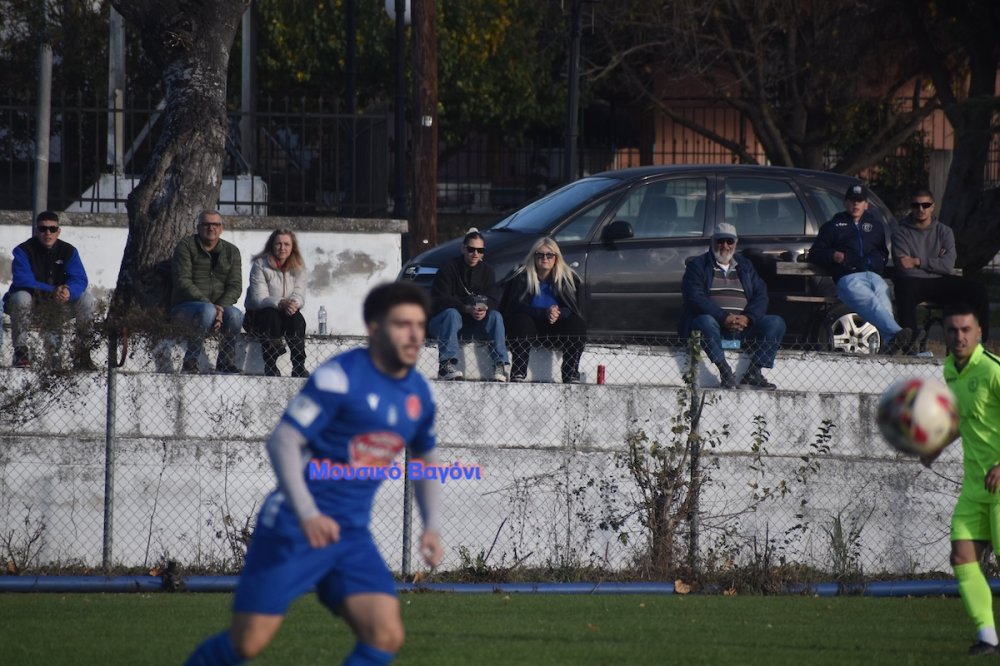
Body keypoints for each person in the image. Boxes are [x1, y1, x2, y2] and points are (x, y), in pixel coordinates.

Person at [184, 282, 442, 666]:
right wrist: (307, 513)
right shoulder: (341, 377)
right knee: (248, 642)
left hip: (350, 535)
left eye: (420, 325)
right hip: (293, 526)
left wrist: (431, 524)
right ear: (374, 328)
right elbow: (284, 442)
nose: (414, 335)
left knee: (385, 635)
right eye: (402, 324)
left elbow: (425, 457)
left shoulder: (417, 393)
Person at [920, 304, 1000, 656]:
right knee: (962, 556)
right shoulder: (951, 369)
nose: (959, 336)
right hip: (974, 487)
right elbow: (961, 419)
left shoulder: (993, 370)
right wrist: (936, 445)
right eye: (953, 330)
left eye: (966, 330)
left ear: (980, 332)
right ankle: (987, 637)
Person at [808, 184, 912, 355]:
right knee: (870, 301)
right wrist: (834, 255)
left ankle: (891, 342)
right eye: (851, 201)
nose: (855, 205)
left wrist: (875, 262)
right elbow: (816, 253)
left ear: (866, 205)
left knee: (883, 301)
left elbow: (882, 253)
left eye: (859, 201)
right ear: (845, 203)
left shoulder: (876, 226)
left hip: (873, 275)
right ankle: (895, 335)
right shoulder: (833, 225)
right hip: (848, 277)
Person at [679, 223, 785, 390]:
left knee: (775, 323)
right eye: (720, 241)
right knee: (704, 321)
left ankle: (753, 372)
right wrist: (723, 317)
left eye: (729, 241)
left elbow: (761, 295)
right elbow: (694, 297)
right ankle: (725, 371)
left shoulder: (746, 266)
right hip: (714, 331)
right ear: (712, 241)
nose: (725, 246)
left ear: (736, 243)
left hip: (743, 330)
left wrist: (748, 318)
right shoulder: (698, 265)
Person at [892, 189, 990, 350]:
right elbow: (904, 266)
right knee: (905, 288)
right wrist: (935, 263)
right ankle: (909, 344)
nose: (921, 209)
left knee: (977, 289)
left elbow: (947, 265)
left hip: (940, 280)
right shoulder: (901, 232)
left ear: (933, 207)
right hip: (913, 281)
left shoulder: (944, 232)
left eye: (925, 205)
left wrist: (917, 261)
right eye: (916, 205)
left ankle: (979, 341)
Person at [2, 210, 97, 370]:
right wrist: (52, 290)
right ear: (36, 231)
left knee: (86, 299)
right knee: (21, 297)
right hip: (31, 306)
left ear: (58, 231)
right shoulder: (23, 250)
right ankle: (21, 353)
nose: (48, 233)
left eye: (52, 229)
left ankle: (82, 353)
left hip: (59, 305)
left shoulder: (68, 251)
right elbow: (22, 280)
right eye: (43, 229)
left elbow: (79, 278)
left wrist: (68, 291)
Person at [500, 237, 587, 383]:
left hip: (557, 327)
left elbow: (574, 308)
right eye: (539, 255)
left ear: (556, 258)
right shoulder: (521, 276)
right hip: (530, 328)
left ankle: (570, 372)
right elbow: (515, 306)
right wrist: (543, 312)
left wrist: (558, 312)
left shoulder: (568, 278)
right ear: (533, 257)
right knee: (520, 320)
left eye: (549, 255)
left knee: (576, 323)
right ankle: (519, 372)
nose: (544, 258)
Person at [427, 228, 509, 382]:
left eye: (480, 250)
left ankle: (500, 364)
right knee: (452, 313)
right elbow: (439, 299)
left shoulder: (487, 271)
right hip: (443, 324)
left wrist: (483, 309)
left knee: (495, 316)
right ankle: (446, 365)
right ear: (463, 249)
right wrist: (465, 308)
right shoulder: (449, 267)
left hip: (471, 325)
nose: (475, 254)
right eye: (471, 249)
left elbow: (493, 299)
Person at [170, 210, 244, 374]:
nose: (211, 228)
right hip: (185, 308)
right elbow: (183, 281)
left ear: (221, 228)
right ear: (198, 227)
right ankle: (190, 361)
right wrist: (210, 305)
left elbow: (235, 286)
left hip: (218, 308)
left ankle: (225, 362)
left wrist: (221, 308)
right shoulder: (186, 246)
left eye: (216, 224)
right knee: (206, 310)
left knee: (236, 314)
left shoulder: (232, 252)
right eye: (206, 224)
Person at [244, 229, 307, 378]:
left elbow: (300, 292)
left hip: (285, 314)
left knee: (297, 319)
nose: (282, 248)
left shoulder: (298, 266)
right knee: (271, 315)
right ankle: (270, 365)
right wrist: (281, 303)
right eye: (278, 244)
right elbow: (259, 298)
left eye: (286, 244)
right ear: (272, 245)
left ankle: (298, 365)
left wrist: (294, 304)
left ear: (293, 247)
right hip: (259, 316)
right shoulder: (260, 265)